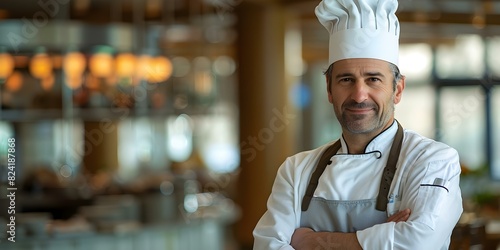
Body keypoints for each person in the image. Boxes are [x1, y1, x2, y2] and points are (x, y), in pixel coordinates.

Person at [252, 0, 463, 249]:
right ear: (329, 89)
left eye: (373, 79)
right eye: (346, 79)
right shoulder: (296, 170)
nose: (359, 95)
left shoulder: (433, 160)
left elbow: (418, 242)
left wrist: (310, 240)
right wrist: (381, 237)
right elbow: (267, 245)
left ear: (398, 89)